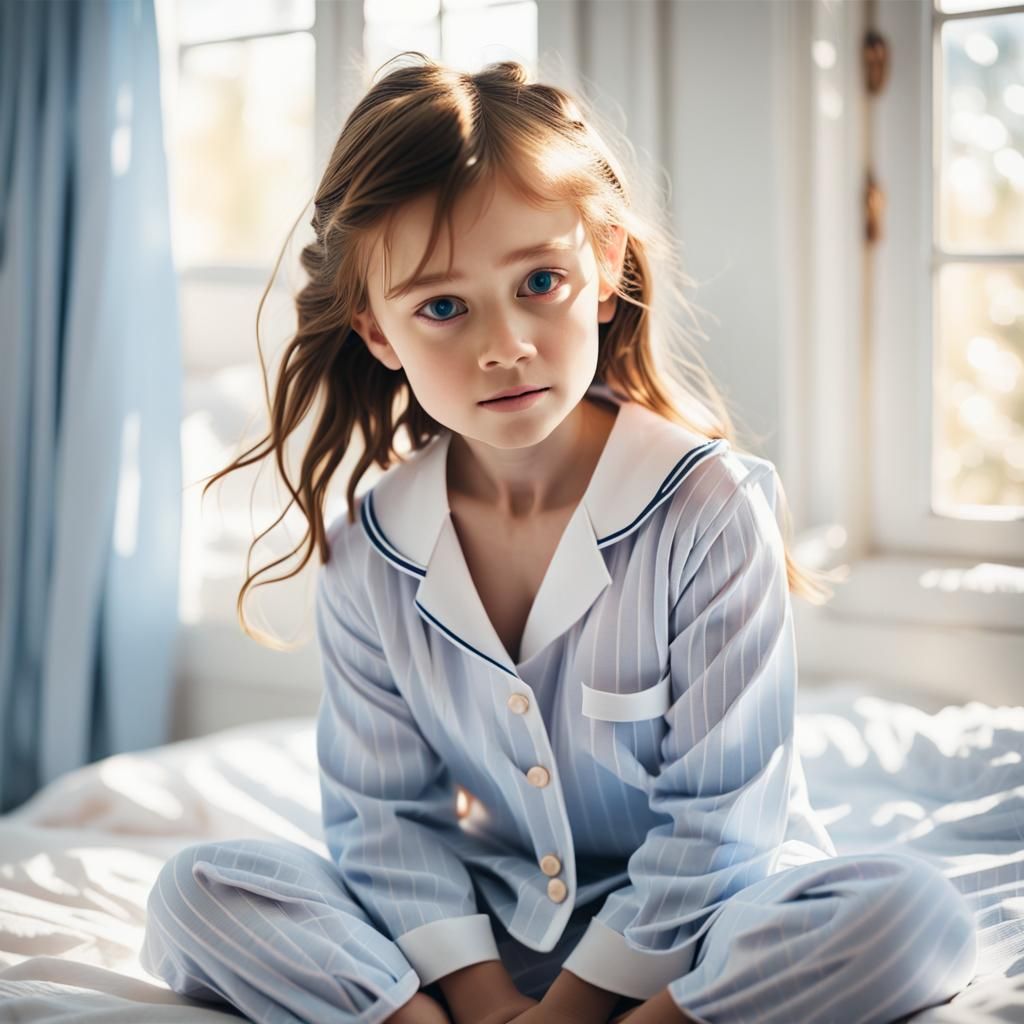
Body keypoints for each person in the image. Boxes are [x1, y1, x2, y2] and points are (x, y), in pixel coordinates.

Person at [140, 52, 978, 1024]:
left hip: (703, 923)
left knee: (910, 914)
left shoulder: (708, 508)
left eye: (540, 279)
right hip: (493, 932)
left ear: (607, 268)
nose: (504, 343)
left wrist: (573, 1013)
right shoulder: (369, 552)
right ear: (378, 334)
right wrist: (484, 998)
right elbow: (384, 821)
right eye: (442, 308)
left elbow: (721, 821)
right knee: (198, 890)